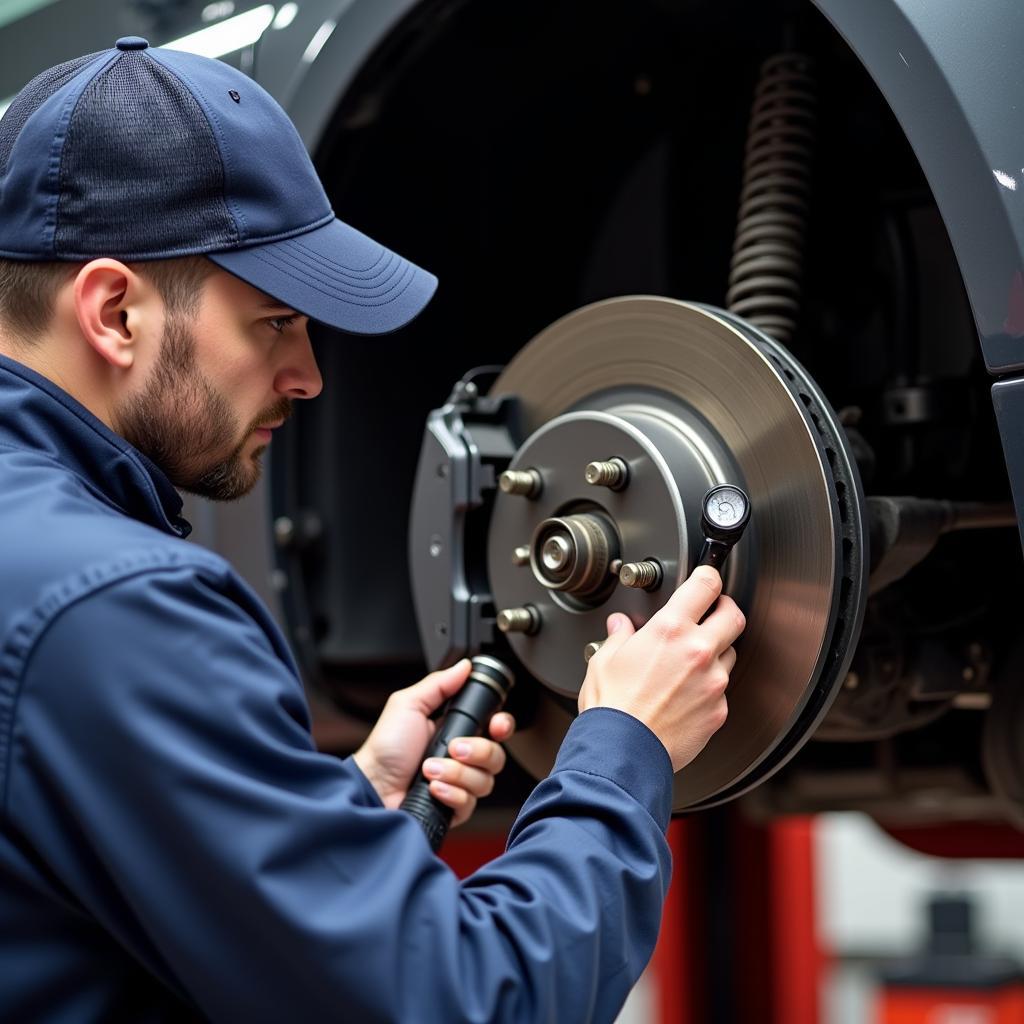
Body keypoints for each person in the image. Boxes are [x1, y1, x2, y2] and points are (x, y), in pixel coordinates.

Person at [0, 38, 745, 1023]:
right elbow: (464, 1003)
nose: (308, 375)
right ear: (114, 311)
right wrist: (624, 747)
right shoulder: (116, 607)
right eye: (274, 321)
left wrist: (323, 812)